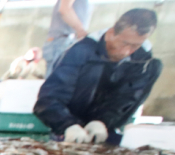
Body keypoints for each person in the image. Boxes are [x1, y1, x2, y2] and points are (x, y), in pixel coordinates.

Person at [34, 9, 162, 146]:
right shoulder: (80, 51)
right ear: (112, 32)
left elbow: (127, 99)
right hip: (69, 131)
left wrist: (102, 122)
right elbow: (49, 98)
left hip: (106, 131)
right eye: (124, 43)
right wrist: (67, 125)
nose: (127, 51)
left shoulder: (145, 63)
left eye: (136, 46)